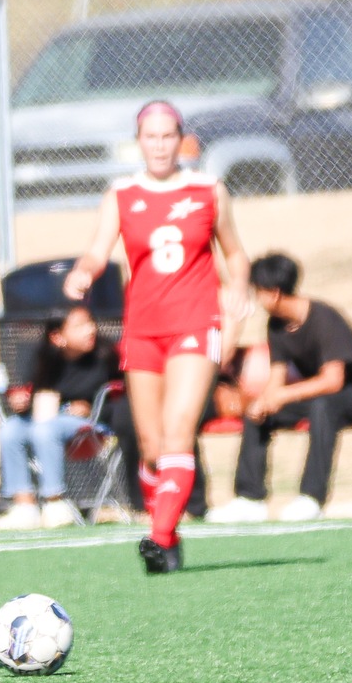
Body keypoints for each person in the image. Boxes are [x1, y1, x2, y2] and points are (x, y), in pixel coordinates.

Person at [62, 101, 247, 573]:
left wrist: (238, 293)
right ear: (139, 140)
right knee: (148, 443)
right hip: (143, 329)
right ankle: (169, 531)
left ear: (181, 139)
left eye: (168, 136)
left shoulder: (208, 190)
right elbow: (97, 251)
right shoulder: (122, 194)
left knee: (178, 430)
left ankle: (159, 535)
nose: (160, 145)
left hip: (195, 321)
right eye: (151, 136)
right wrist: (82, 274)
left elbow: (236, 254)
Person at [212, 253, 352, 522]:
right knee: (259, 411)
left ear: (273, 293)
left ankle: (311, 498)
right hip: (322, 396)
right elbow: (277, 378)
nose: (256, 299)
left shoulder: (323, 317)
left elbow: (334, 380)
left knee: (324, 406)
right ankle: (250, 498)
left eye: (257, 292)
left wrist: (283, 394)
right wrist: (265, 401)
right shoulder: (277, 326)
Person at [0, 303, 120, 531]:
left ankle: (54, 503)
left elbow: (120, 398)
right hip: (49, 420)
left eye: (90, 323)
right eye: (80, 325)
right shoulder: (44, 359)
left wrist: (91, 409)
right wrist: (22, 402)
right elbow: (39, 399)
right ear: (57, 336)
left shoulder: (104, 355)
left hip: (91, 426)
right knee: (10, 429)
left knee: (44, 430)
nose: (90, 329)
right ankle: (24, 507)